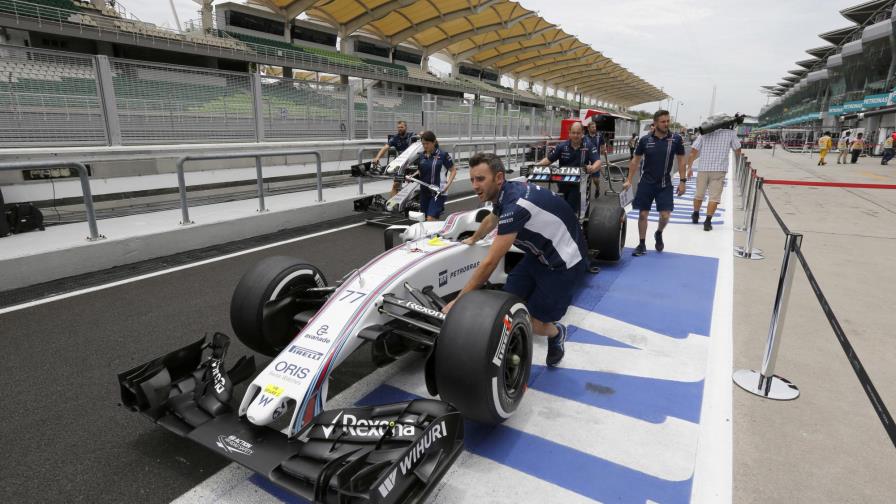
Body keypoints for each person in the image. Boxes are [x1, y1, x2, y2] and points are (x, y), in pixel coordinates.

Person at [442, 152, 589, 367]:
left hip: (564, 264)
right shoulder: (506, 193)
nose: (474, 185)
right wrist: (474, 238)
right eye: (473, 179)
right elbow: (494, 216)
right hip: (539, 256)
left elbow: (491, 262)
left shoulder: (516, 206)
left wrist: (459, 300)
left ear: (499, 178)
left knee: (534, 321)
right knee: (507, 304)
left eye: (480, 179)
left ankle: (557, 333)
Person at [624, 110, 686, 256]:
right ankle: (642, 243)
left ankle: (658, 233)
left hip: (665, 184)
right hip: (646, 183)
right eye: (663, 121)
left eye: (668, 121)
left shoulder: (675, 139)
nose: (666, 124)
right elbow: (635, 160)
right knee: (643, 214)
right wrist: (628, 180)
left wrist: (683, 181)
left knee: (665, 216)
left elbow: (681, 159)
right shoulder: (645, 140)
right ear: (655, 123)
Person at [685, 119, 742, 231]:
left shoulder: (704, 133)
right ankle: (708, 221)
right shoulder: (730, 134)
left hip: (703, 169)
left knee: (699, 194)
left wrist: (690, 167)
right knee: (714, 197)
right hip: (719, 170)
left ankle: (695, 214)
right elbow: (737, 149)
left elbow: (693, 151)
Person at [534, 121, 601, 217]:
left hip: (579, 183)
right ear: (569, 133)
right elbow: (549, 159)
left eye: (578, 133)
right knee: (561, 205)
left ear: (582, 133)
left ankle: (570, 222)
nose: (575, 135)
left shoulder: (588, 146)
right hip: (562, 182)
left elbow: (598, 161)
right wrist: (536, 165)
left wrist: (592, 168)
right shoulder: (562, 146)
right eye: (573, 133)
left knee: (570, 207)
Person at [406, 130, 455, 221]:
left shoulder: (443, 155)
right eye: (423, 144)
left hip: (438, 191)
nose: (425, 146)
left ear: (434, 142)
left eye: (427, 143)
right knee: (424, 219)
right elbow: (420, 171)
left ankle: (436, 231)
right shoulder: (421, 156)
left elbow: (453, 171)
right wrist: (412, 176)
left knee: (430, 218)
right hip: (424, 191)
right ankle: (437, 234)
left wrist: (447, 186)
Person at [372, 120, 417, 197]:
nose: (400, 129)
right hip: (402, 164)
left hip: (414, 163)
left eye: (402, 127)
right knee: (395, 185)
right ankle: (391, 205)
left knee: (417, 185)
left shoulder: (412, 136)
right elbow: (385, 148)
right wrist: (377, 158)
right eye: (398, 127)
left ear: (406, 127)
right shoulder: (395, 138)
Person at [584, 120, 606, 199]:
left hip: (595, 161)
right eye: (592, 127)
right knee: (585, 180)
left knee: (595, 180)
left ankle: (597, 188)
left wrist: (604, 151)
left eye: (595, 127)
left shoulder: (599, 136)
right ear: (588, 128)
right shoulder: (585, 137)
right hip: (586, 161)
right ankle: (586, 195)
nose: (594, 128)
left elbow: (603, 146)